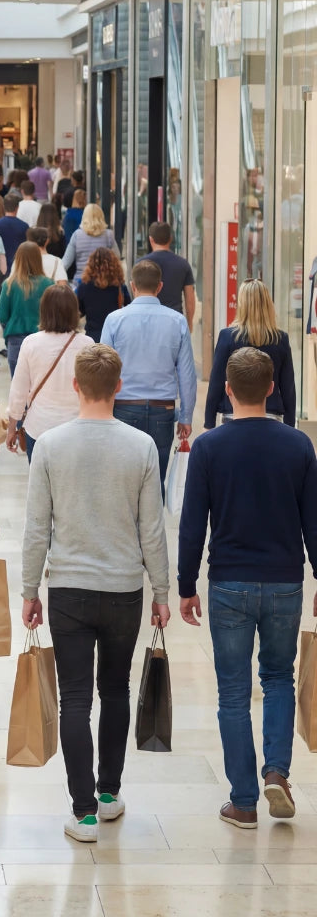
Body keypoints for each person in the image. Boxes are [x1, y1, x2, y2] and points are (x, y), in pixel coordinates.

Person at [21, 343, 170, 844]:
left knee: (75, 701)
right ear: (119, 389)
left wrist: (27, 589)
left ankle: (82, 812)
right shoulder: (142, 446)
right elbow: (152, 529)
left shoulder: (50, 445)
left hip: (67, 589)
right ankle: (109, 794)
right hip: (124, 589)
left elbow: (36, 528)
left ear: (76, 386)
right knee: (115, 691)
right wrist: (162, 591)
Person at [178, 347, 317, 829]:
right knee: (279, 678)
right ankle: (276, 770)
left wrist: (184, 584)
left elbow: (193, 523)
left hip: (229, 582)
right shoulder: (299, 446)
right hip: (284, 582)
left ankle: (243, 800)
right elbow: (313, 523)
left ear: (229, 391)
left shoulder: (210, 447)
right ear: (274, 387)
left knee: (233, 692)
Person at [101, 259, 197, 489]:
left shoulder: (114, 320)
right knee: (156, 481)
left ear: (132, 285)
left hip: (123, 408)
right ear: (160, 286)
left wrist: (102, 411)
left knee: (124, 482)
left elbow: (103, 370)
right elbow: (187, 374)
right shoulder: (178, 321)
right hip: (162, 410)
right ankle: (153, 525)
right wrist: (186, 416)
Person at [6, 286, 94, 462]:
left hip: (39, 428)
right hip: (76, 429)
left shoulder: (31, 343)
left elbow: (19, 392)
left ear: (44, 310)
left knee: (41, 487)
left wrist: (12, 429)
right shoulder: (87, 344)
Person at [204, 280, 295, 428]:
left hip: (233, 415)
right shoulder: (280, 339)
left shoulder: (228, 337)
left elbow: (216, 383)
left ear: (242, 304)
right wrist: (290, 426)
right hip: (271, 415)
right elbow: (288, 388)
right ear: (267, 304)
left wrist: (209, 423)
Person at [0, 241, 54, 376]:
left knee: (18, 385)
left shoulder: (9, 284)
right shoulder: (49, 284)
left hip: (16, 340)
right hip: (43, 339)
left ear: (18, 259)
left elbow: (2, 316)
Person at [137, 221, 196, 329]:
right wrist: (189, 323)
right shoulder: (183, 264)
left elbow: (136, 295)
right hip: (174, 321)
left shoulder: (141, 264)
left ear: (151, 239)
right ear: (170, 239)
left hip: (146, 320)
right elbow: (190, 299)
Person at [76, 247, 131, 343]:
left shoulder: (84, 286)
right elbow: (128, 308)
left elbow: (79, 310)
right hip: (115, 336)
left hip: (93, 337)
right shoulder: (119, 286)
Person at [63, 204, 119, 286]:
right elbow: (117, 257)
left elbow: (65, 263)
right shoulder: (108, 235)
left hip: (81, 282)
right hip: (103, 282)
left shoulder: (77, 235)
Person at [0, 193, 30, 272]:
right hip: (19, 266)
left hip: (0, 266)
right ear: (17, 208)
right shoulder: (24, 226)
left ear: (3, 207)